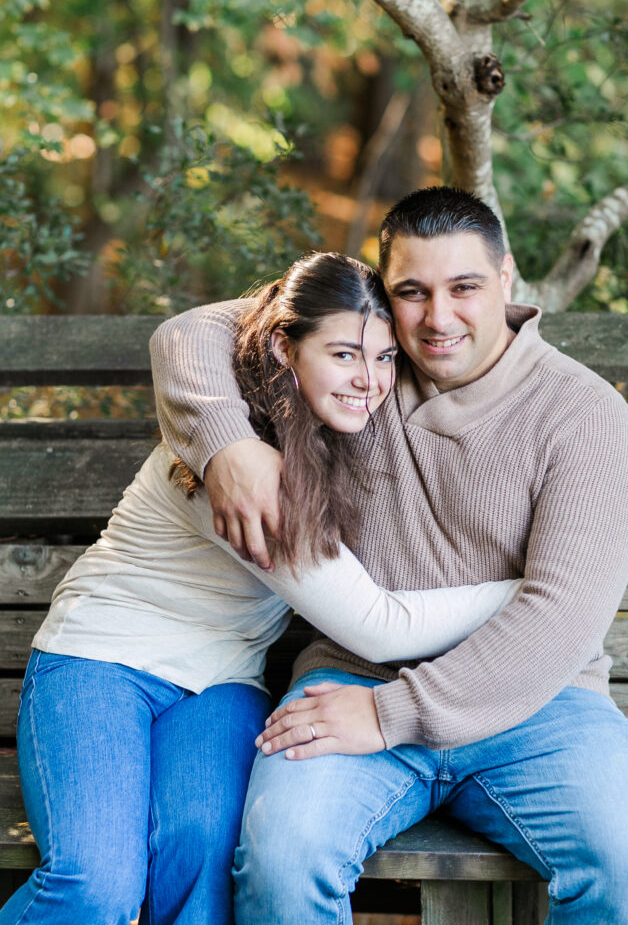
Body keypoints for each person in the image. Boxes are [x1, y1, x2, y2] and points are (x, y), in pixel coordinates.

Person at [150, 189, 628, 924]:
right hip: (348, 684)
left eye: (463, 287)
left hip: (539, 702)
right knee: (282, 862)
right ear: (382, 294)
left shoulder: (581, 414)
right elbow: (190, 332)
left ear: (505, 280)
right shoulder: (361, 376)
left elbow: (560, 619)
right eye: (410, 292)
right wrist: (227, 444)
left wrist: (392, 712)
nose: (436, 318)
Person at [0, 252, 522, 925]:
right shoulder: (239, 463)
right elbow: (378, 626)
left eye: (385, 359)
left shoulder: (332, 427)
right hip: (102, 663)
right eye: (343, 355)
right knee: (94, 885)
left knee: (202, 875)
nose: (369, 381)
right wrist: (535, 590)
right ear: (284, 345)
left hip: (222, 683)